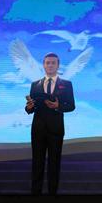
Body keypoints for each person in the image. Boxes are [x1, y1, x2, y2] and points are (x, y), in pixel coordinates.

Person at [25, 52, 75, 195]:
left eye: (53, 63)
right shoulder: (35, 85)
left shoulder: (66, 84)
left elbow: (71, 106)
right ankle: (36, 194)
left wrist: (58, 106)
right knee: (37, 163)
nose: (50, 65)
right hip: (38, 128)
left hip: (56, 129)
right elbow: (30, 108)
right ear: (43, 65)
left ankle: (52, 194)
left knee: (54, 163)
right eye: (48, 63)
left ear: (58, 65)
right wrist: (29, 107)